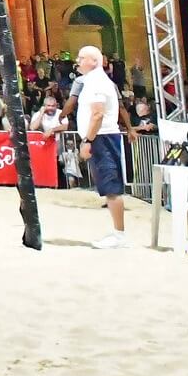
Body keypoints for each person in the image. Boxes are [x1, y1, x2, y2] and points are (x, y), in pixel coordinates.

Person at [73, 45, 127, 248]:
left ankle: (119, 235)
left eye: (81, 58)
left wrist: (88, 140)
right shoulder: (93, 82)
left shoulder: (97, 83)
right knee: (107, 186)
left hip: (102, 137)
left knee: (111, 186)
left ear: (93, 61)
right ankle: (118, 233)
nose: (77, 61)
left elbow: (97, 114)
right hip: (101, 136)